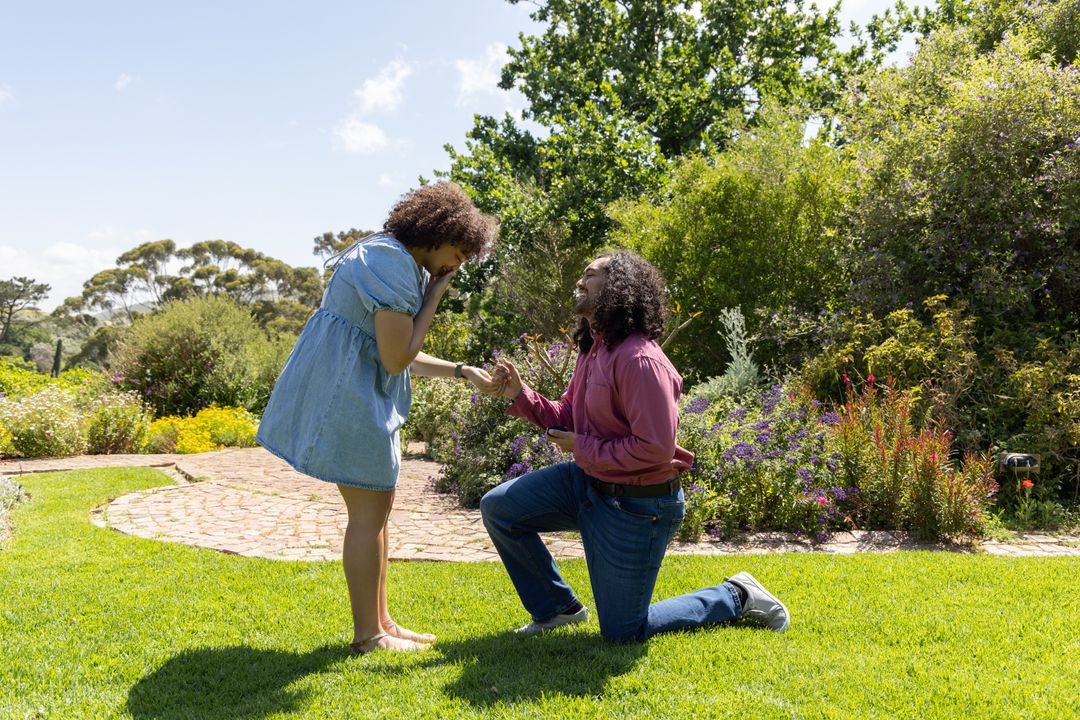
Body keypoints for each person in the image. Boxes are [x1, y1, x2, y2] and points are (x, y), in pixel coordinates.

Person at [480, 250, 790, 642]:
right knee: (500, 508)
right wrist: (521, 394)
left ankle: (737, 595)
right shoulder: (594, 349)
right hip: (588, 483)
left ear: (616, 288)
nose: (579, 281)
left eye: (589, 275)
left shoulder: (640, 361)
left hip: (638, 505)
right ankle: (557, 610)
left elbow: (655, 449)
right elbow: (568, 415)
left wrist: (582, 446)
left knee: (623, 631)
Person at [257, 181, 500, 654]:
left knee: (377, 512)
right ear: (436, 233)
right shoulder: (390, 263)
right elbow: (394, 358)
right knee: (368, 516)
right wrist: (434, 296)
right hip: (348, 397)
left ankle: (382, 622)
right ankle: (367, 635)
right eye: (458, 251)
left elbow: (396, 352)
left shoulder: (390, 257)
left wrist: (461, 371)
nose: (458, 263)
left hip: (357, 393)